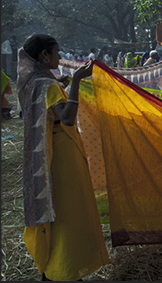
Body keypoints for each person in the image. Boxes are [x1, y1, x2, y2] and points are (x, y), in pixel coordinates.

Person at [16, 34, 109, 281]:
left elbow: (48, 112)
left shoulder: (35, 83)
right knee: (69, 212)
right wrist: (77, 80)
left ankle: (54, 266)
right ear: (44, 56)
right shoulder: (48, 86)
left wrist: (64, 86)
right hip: (62, 158)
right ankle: (65, 269)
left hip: (50, 156)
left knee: (58, 212)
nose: (60, 56)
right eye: (56, 52)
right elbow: (66, 118)